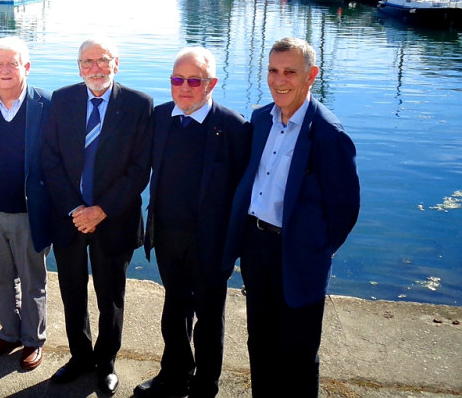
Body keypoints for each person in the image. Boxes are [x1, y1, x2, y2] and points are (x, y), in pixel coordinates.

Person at [222, 37, 361, 396]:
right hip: (256, 247)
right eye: (273, 70)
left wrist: (316, 247)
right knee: (261, 341)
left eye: (290, 72)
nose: (279, 80)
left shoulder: (329, 134)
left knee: (299, 352)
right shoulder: (260, 120)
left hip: (300, 255)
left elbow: (345, 209)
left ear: (311, 75)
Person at [135, 47, 251, 397]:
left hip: (211, 243)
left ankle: (205, 386)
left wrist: (235, 247)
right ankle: (174, 374)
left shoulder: (234, 127)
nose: (184, 87)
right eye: (177, 80)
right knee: (174, 310)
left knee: (209, 318)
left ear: (211, 83)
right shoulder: (159, 118)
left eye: (193, 81)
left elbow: (244, 194)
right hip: (168, 235)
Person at [41, 37, 153, 395]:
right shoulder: (62, 99)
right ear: (78, 67)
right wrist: (76, 209)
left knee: (111, 295)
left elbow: (139, 170)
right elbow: (50, 159)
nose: (95, 68)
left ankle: (106, 362)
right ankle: (80, 356)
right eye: (87, 61)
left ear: (115, 63)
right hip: (69, 218)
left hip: (114, 218)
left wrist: (100, 210)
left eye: (102, 60)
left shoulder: (138, 104)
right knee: (72, 292)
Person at [0, 37, 52, 371]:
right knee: (1, 279)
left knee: (33, 282)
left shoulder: (48, 104)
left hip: (30, 213)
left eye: (12, 63)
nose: (5, 70)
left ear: (26, 67)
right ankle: (9, 332)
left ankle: (33, 339)